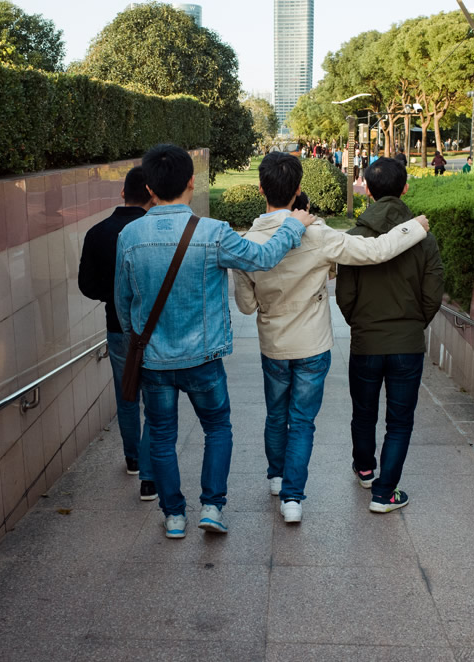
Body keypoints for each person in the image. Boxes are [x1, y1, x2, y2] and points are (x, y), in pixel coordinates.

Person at [115, 144, 317, 539]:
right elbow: (263, 257)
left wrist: (138, 342)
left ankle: (174, 516)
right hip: (203, 359)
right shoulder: (212, 233)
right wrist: (294, 224)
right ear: (192, 182)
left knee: (160, 436)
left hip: (154, 361)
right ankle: (212, 507)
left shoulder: (129, 236)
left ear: (149, 188)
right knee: (217, 428)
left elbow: (124, 302)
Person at [233, 153, 429, 524]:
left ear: (261, 189)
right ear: (298, 191)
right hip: (313, 345)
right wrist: (413, 227)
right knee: (302, 421)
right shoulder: (318, 235)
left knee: (277, 414)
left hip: (273, 345)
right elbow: (375, 252)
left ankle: (276, 478)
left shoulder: (248, 242)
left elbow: (244, 306)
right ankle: (293, 498)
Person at [336, 157, 444, 513]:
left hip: (366, 341)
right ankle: (384, 493)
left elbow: (345, 297)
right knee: (400, 421)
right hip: (407, 344)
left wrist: (362, 324)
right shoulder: (424, 240)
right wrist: (412, 326)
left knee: (363, 412)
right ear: (405, 188)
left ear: (367, 189)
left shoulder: (354, 239)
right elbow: (432, 297)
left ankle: (365, 469)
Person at [78, 166, 157, 501]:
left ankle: (133, 459)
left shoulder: (97, 233)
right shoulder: (153, 232)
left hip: (117, 327)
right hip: (154, 329)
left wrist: (112, 294)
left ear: (123, 193)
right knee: (156, 399)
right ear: (152, 195)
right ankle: (150, 477)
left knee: (127, 396)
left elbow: (87, 286)